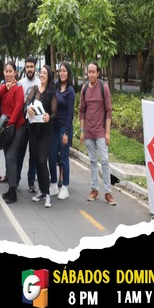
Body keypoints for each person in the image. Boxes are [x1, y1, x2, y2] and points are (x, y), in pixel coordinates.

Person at [79, 61, 116, 206]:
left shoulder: (103, 87)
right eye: (89, 72)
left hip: (101, 132)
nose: (91, 74)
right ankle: (94, 190)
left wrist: (108, 132)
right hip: (88, 132)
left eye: (93, 72)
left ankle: (108, 192)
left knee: (105, 161)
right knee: (93, 161)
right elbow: (82, 111)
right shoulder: (84, 89)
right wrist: (82, 131)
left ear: (98, 73)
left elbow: (109, 110)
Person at [25, 65, 58, 208]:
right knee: (36, 160)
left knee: (42, 160)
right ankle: (42, 191)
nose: (42, 75)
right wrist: (28, 108)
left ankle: (48, 193)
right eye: (41, 73)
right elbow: (27, 103)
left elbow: (55, 113)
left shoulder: (51, 93)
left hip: (45, 132)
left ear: (49, 76)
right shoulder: (34, 90)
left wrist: (49, 117)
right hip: (33, 130)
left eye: (45, 73)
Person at [0, 61, 26, 204]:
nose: (8, 74)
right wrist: (4, 88)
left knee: (11, 157)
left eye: (10, 71)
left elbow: (18, 107)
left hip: (16, 127)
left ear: (15, 73)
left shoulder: (18, 88)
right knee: (7, 157)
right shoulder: (3, 86)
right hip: (6, 128)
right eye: (6, 71)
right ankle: (11, 187)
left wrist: (11, 124)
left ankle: (13, 190)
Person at [49, 61, 75, 200]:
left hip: (64, 127)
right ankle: (53, 184)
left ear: (68, 73)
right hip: (54, 126)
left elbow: (71, 114)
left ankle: (65, 186)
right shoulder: (56, 86)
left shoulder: (70, 91)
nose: (62, 73)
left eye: (65, 71)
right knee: (52, 156)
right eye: (60, 71)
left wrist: (66, 133)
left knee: (64, 159)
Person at [16, 55, 39, 193]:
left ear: (35, 67)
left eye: (31, 67)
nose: (29, 69)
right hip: (23, 125)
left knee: (33, 155)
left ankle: (31, 182)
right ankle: (16, 180)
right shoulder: (20, 83)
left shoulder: (40, 82)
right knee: (20, 154)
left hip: (35, 125)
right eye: (27, 67)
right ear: (25, 68)